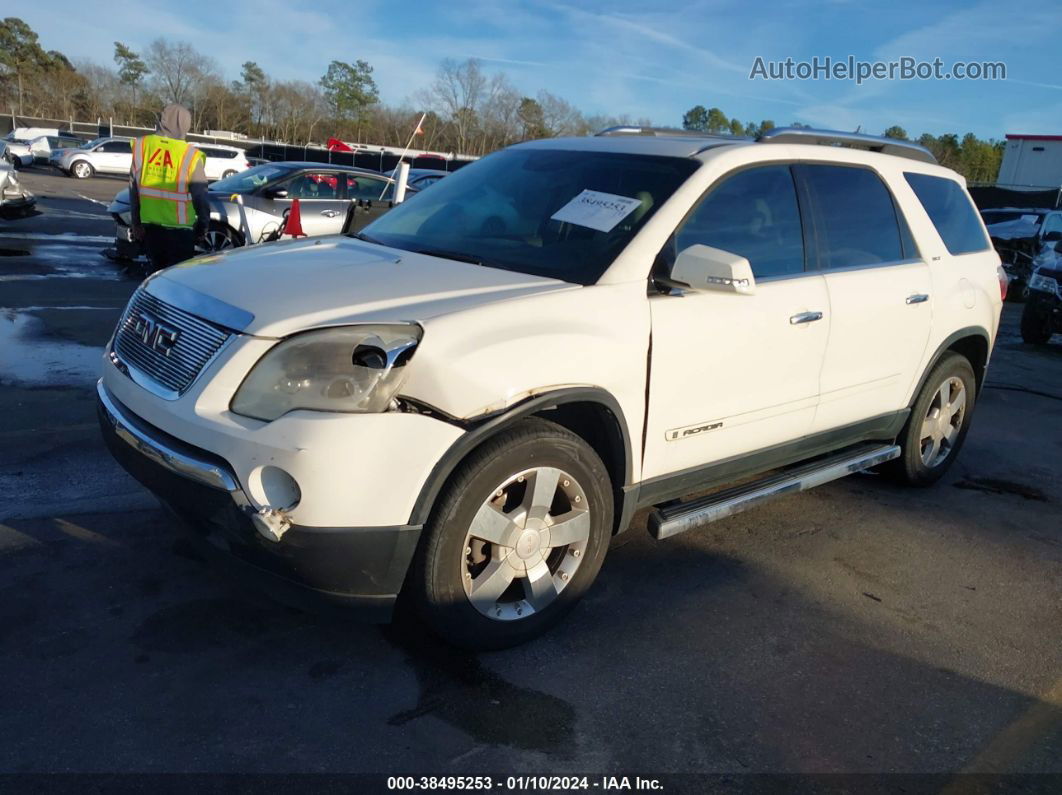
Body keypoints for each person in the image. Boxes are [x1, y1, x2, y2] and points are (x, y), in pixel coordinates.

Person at [129, 104, 211, 273]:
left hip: (151, 230)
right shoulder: (190, 154)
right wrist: (203, 226)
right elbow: (200, 196)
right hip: (181, 233)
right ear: (185, 125)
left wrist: (136, 223)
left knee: (156, 279)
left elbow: (133, 189)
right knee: (177, 282)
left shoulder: (143, 146)